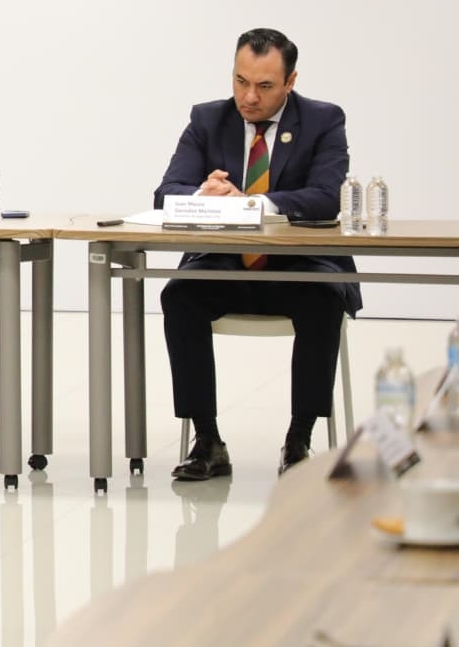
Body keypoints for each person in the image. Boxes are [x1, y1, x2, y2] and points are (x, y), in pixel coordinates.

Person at [155, 27, 361, 480]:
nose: (249, 97)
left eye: (265, 86)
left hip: (298, 269)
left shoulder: (323, 120)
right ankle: (207, 441)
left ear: (290, 82)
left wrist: (252, 204)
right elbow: (166, 192)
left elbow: (327, 196)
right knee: (179, 296)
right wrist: (203, 194)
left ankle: (299, 440)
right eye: (240, 81)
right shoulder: (208, 119)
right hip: (226, 266)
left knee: (324, 298)